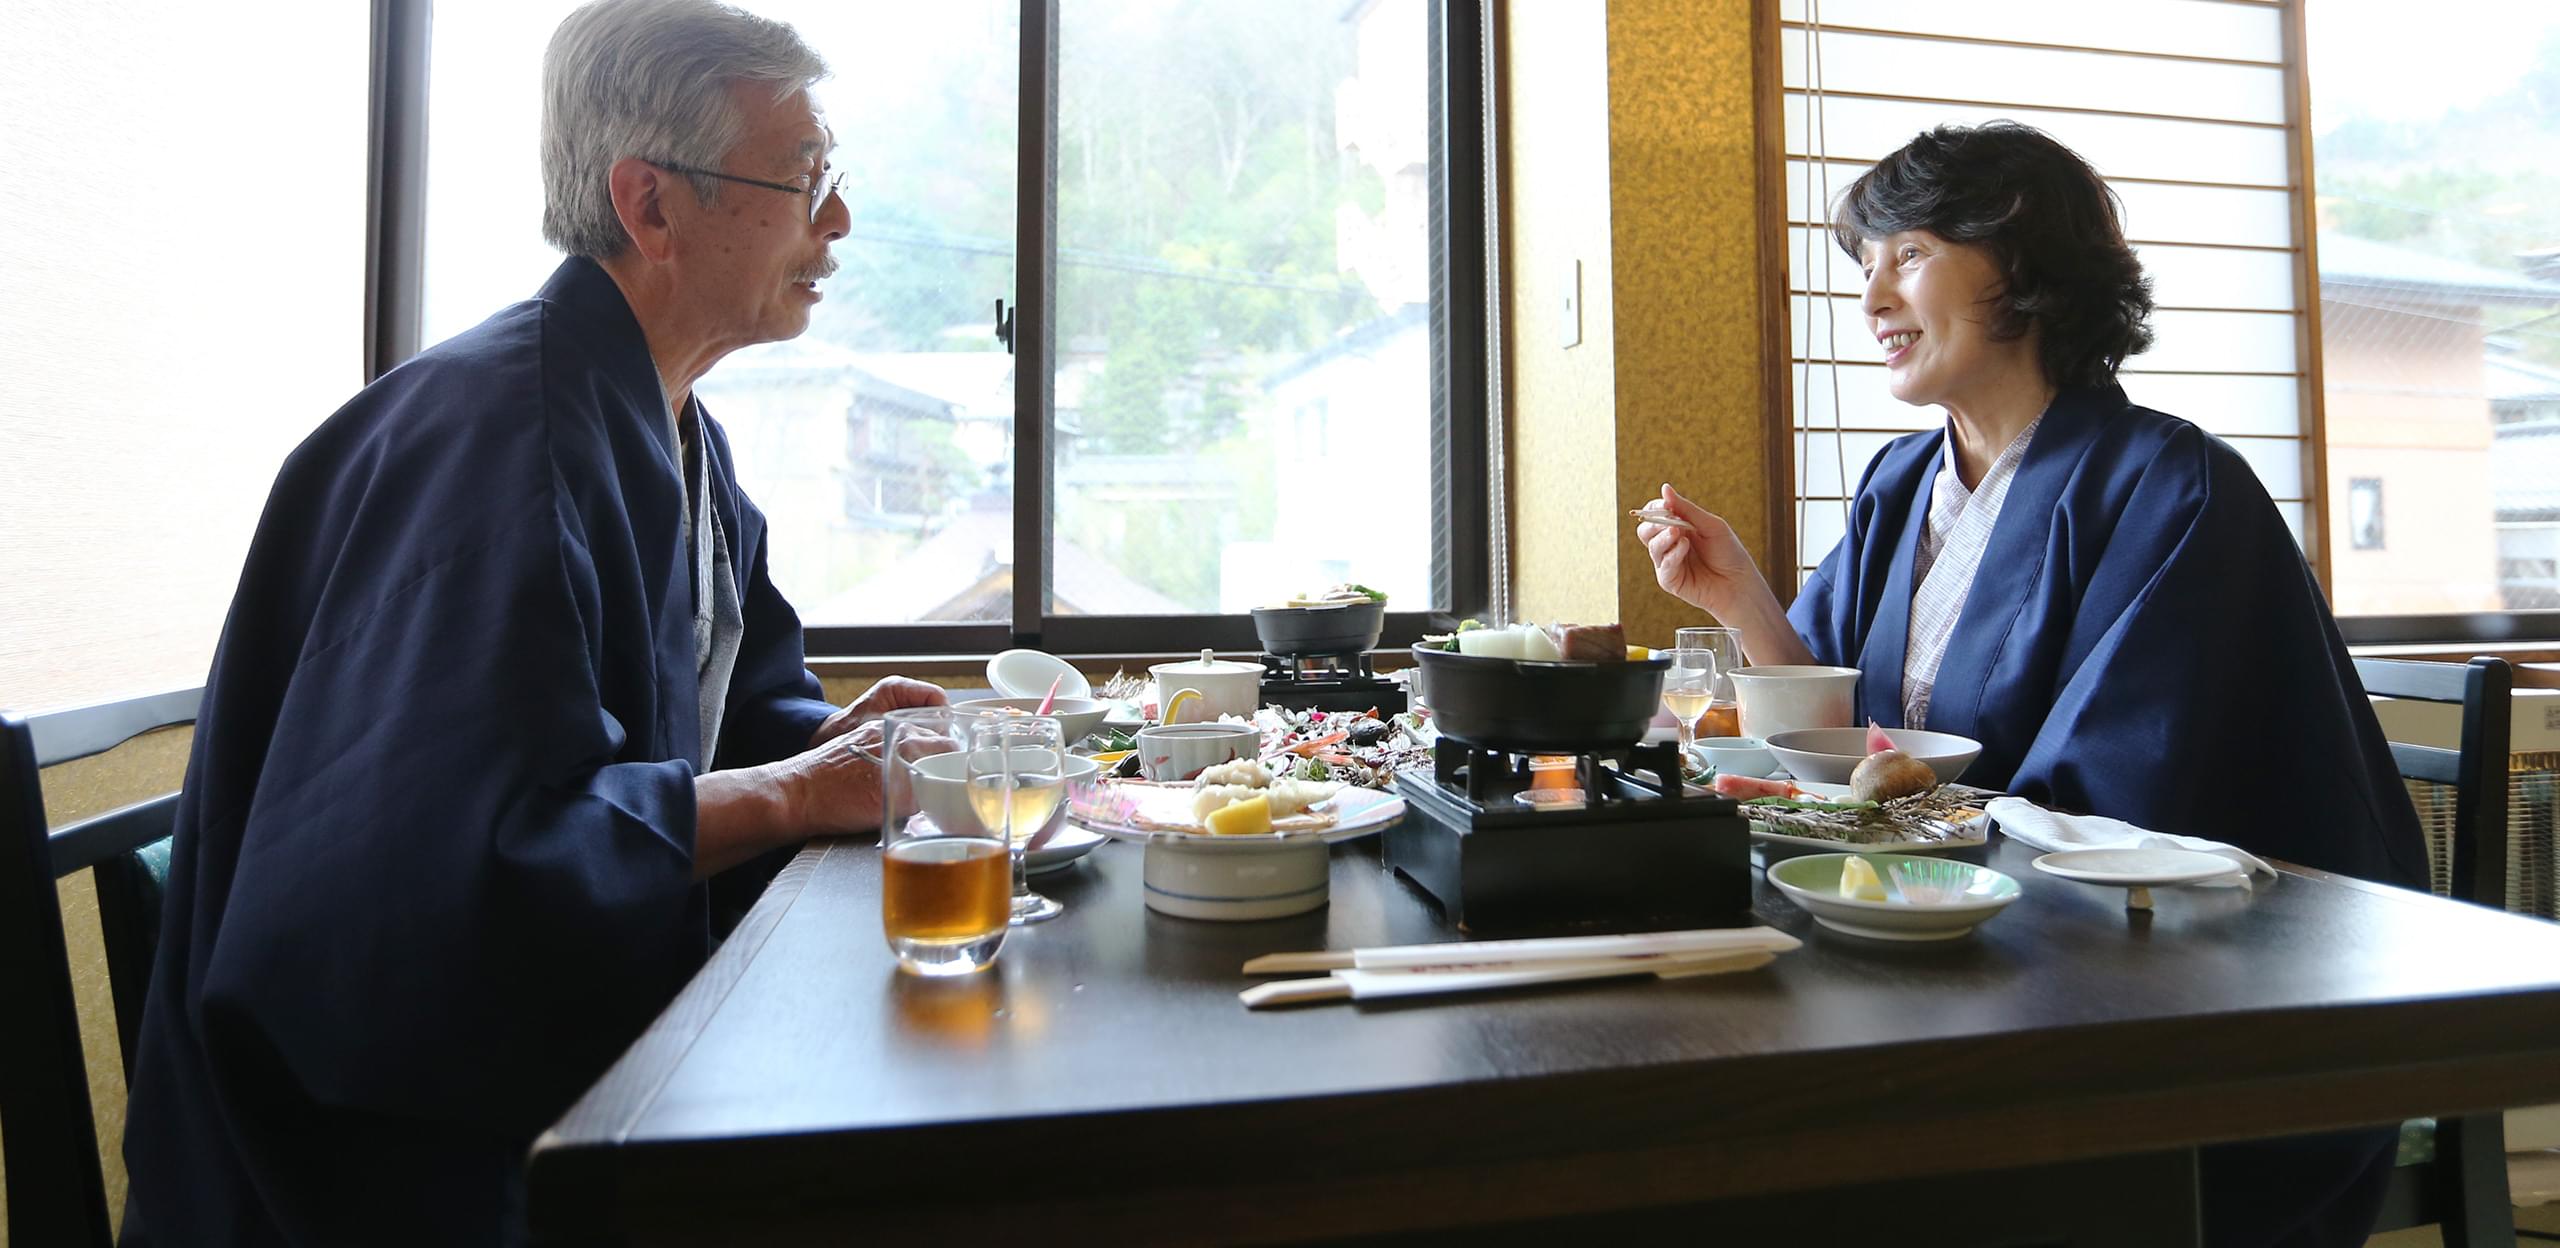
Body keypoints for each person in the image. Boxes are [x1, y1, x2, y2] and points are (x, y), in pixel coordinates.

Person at [119, 2, 944, 1241]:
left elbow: (739, 721)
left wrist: (843, 747)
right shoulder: (490, 437)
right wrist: (790, 793)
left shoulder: (681, 434)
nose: (836, 222)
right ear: (649, 203)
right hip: (392, 1160)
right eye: (803, 179)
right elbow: (448, 870)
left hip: (559, 1080)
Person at [1639, 122, 2425, 1247]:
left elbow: (2104, 807)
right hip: (1934, 952)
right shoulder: (1900, 482)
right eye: (1863, 267)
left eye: (1905, 253)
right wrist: (1742, 605)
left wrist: (1874, 803)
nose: (1871, 301)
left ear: (2021, 262)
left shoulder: (2174, 485)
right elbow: (1829, 741)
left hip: (2145, 1003)